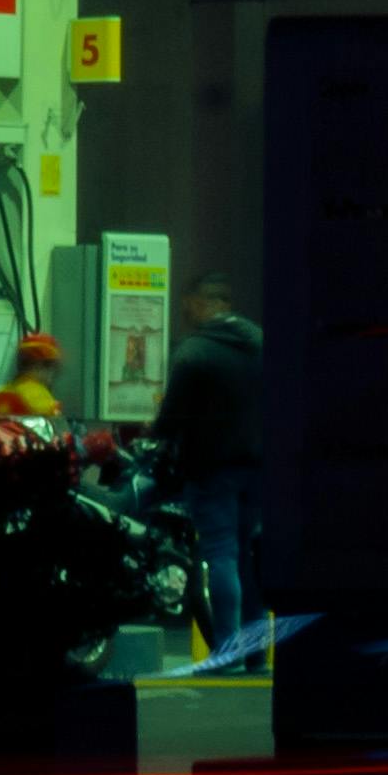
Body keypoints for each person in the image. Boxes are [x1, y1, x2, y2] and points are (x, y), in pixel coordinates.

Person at [151, 277, 265, 659]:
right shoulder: (263, 344)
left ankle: (228, 654)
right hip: (260, 468)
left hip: (211, 468)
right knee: (248, 558)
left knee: (220, 554)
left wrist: (157, 434)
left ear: (204, 304)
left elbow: (172, 415)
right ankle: (254, 655)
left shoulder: (195, 351)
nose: (185, 315)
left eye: (187, 307)